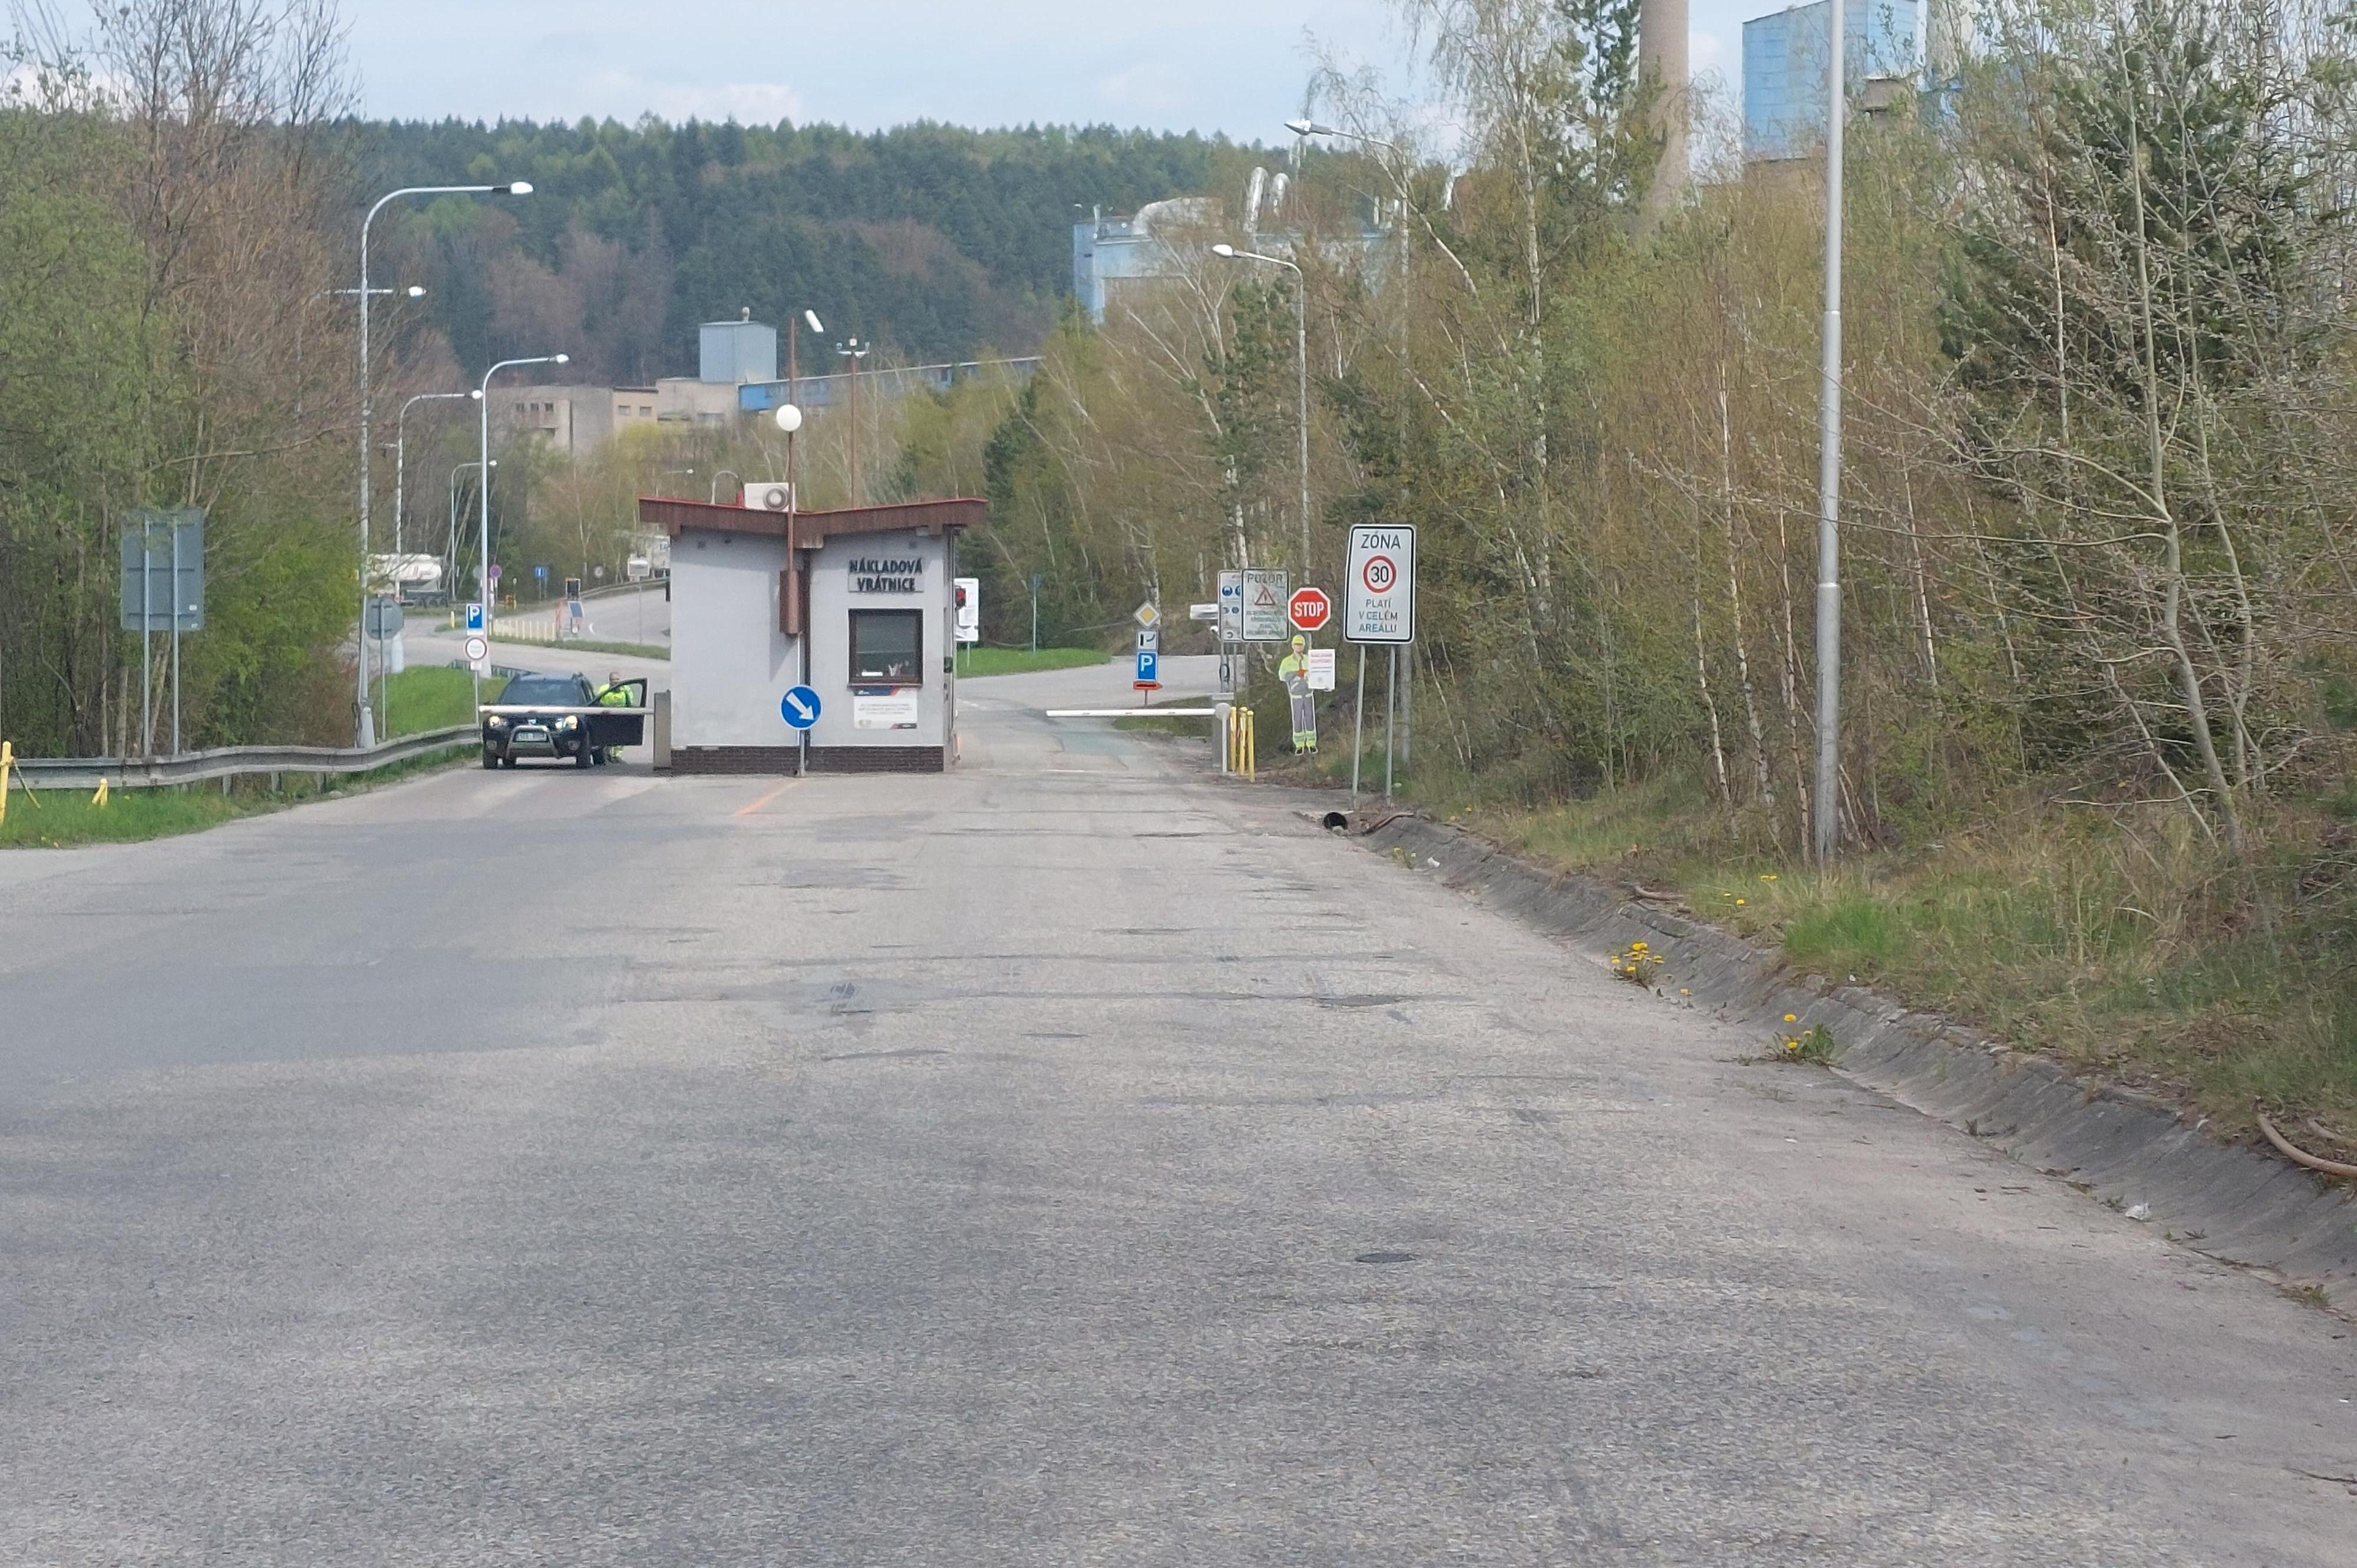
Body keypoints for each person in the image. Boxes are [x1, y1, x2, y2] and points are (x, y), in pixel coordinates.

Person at [1277, 635, 1318, 753]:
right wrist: (1296, 673)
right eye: (1297, 645)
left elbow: (1317, 674)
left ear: (1303, 646)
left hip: (1309, 694)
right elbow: (1282, 676)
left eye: (1300, 645)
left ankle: (1311, 743)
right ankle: (1299, 745)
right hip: (1296, 696)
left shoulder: (1309, 660)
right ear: (1293, 646)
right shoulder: (1287, 661)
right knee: (1298, 719)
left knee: (1310, 718)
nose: (1298, 647)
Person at [595, 669, 631, 763]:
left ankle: (617, 755)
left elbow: (630, 703)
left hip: (621, 716)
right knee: (607, 737)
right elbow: (597, 702)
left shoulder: (625, 689)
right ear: (609, 680)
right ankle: (607, 754)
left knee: (620, 737)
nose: (615, 681)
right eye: (613, 679)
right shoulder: (604, 689)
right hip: (607, 717)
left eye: (617, 679)